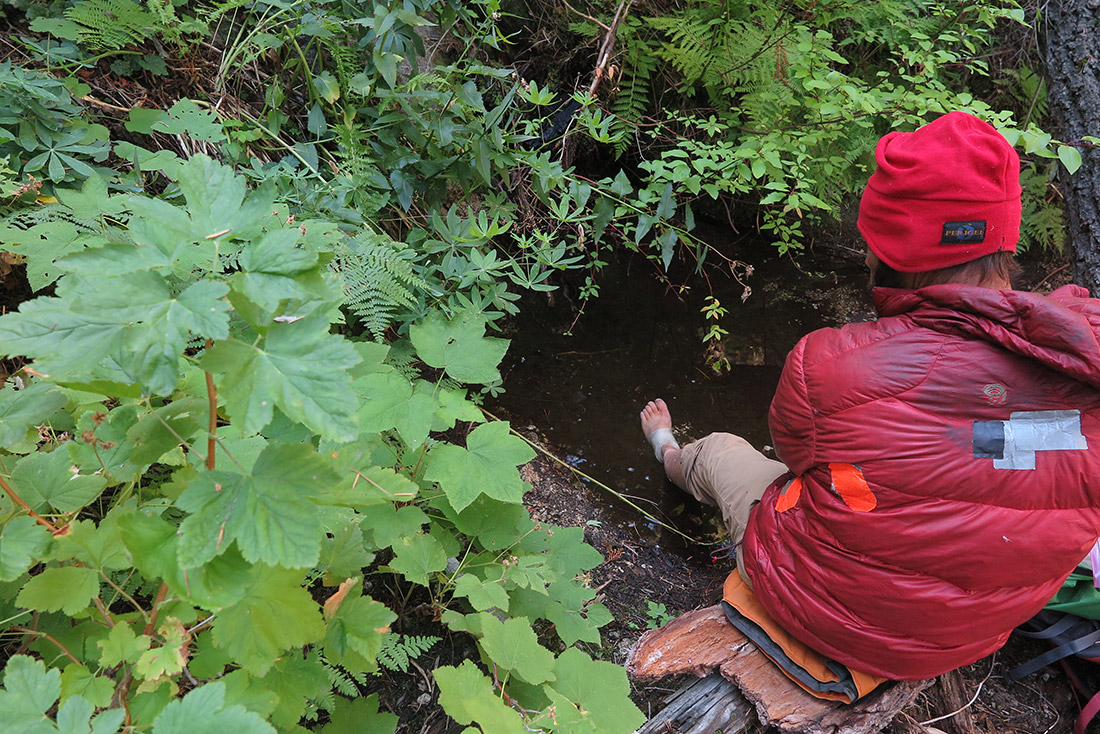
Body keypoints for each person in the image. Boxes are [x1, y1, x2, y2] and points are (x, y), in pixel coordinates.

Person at [641, 110, 1100, 684]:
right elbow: (1000, 445)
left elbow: (795, 458)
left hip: (823, 615)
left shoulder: (827, 364)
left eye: (872, 240)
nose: (863, 256)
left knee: (728, 453)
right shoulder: (1084, 363)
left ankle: (668, 452)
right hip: (964, 639)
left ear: (900, 252)